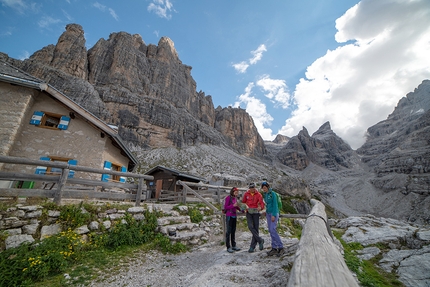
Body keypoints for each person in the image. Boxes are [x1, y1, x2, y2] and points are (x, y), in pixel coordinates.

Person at [261, 182, 284, 256]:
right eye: (263, 188)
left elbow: (275, 205)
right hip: (268, 213)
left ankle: (280, 247)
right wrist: (266, 211)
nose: (264, 189)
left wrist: (274, 215)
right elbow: (267, 205)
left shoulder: (272, 194)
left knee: (272, 229)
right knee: (271, 230)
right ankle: (274, 247)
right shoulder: (266, 194)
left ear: (268, 187)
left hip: (273, 213)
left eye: (265, 188)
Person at [242, 182, 265, 253]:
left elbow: (262, 203)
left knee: (256, 228)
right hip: (248, 212)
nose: (252, 189)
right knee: (250, 226)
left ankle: (252, 247)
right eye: (251, 188)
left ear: (255, 187)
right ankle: (260, 240)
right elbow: (243, 202)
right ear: (249, 188)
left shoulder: (259, 194)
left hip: (255, 212)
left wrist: (260, 208)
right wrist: (244, 209)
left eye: (253, 187)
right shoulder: (246, 194)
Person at [224, 187, 241, 253]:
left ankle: (234, 245)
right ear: (232, 192)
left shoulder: (235, 198)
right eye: (235, 192)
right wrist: (233, 205)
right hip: (229, 216)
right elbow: (226, 207)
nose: (237, 193)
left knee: (233, 231)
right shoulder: (228, 198)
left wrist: (241, 210)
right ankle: (228, 246)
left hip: (234, 216)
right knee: (228, 231)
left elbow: (236, 206)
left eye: (237, 192)